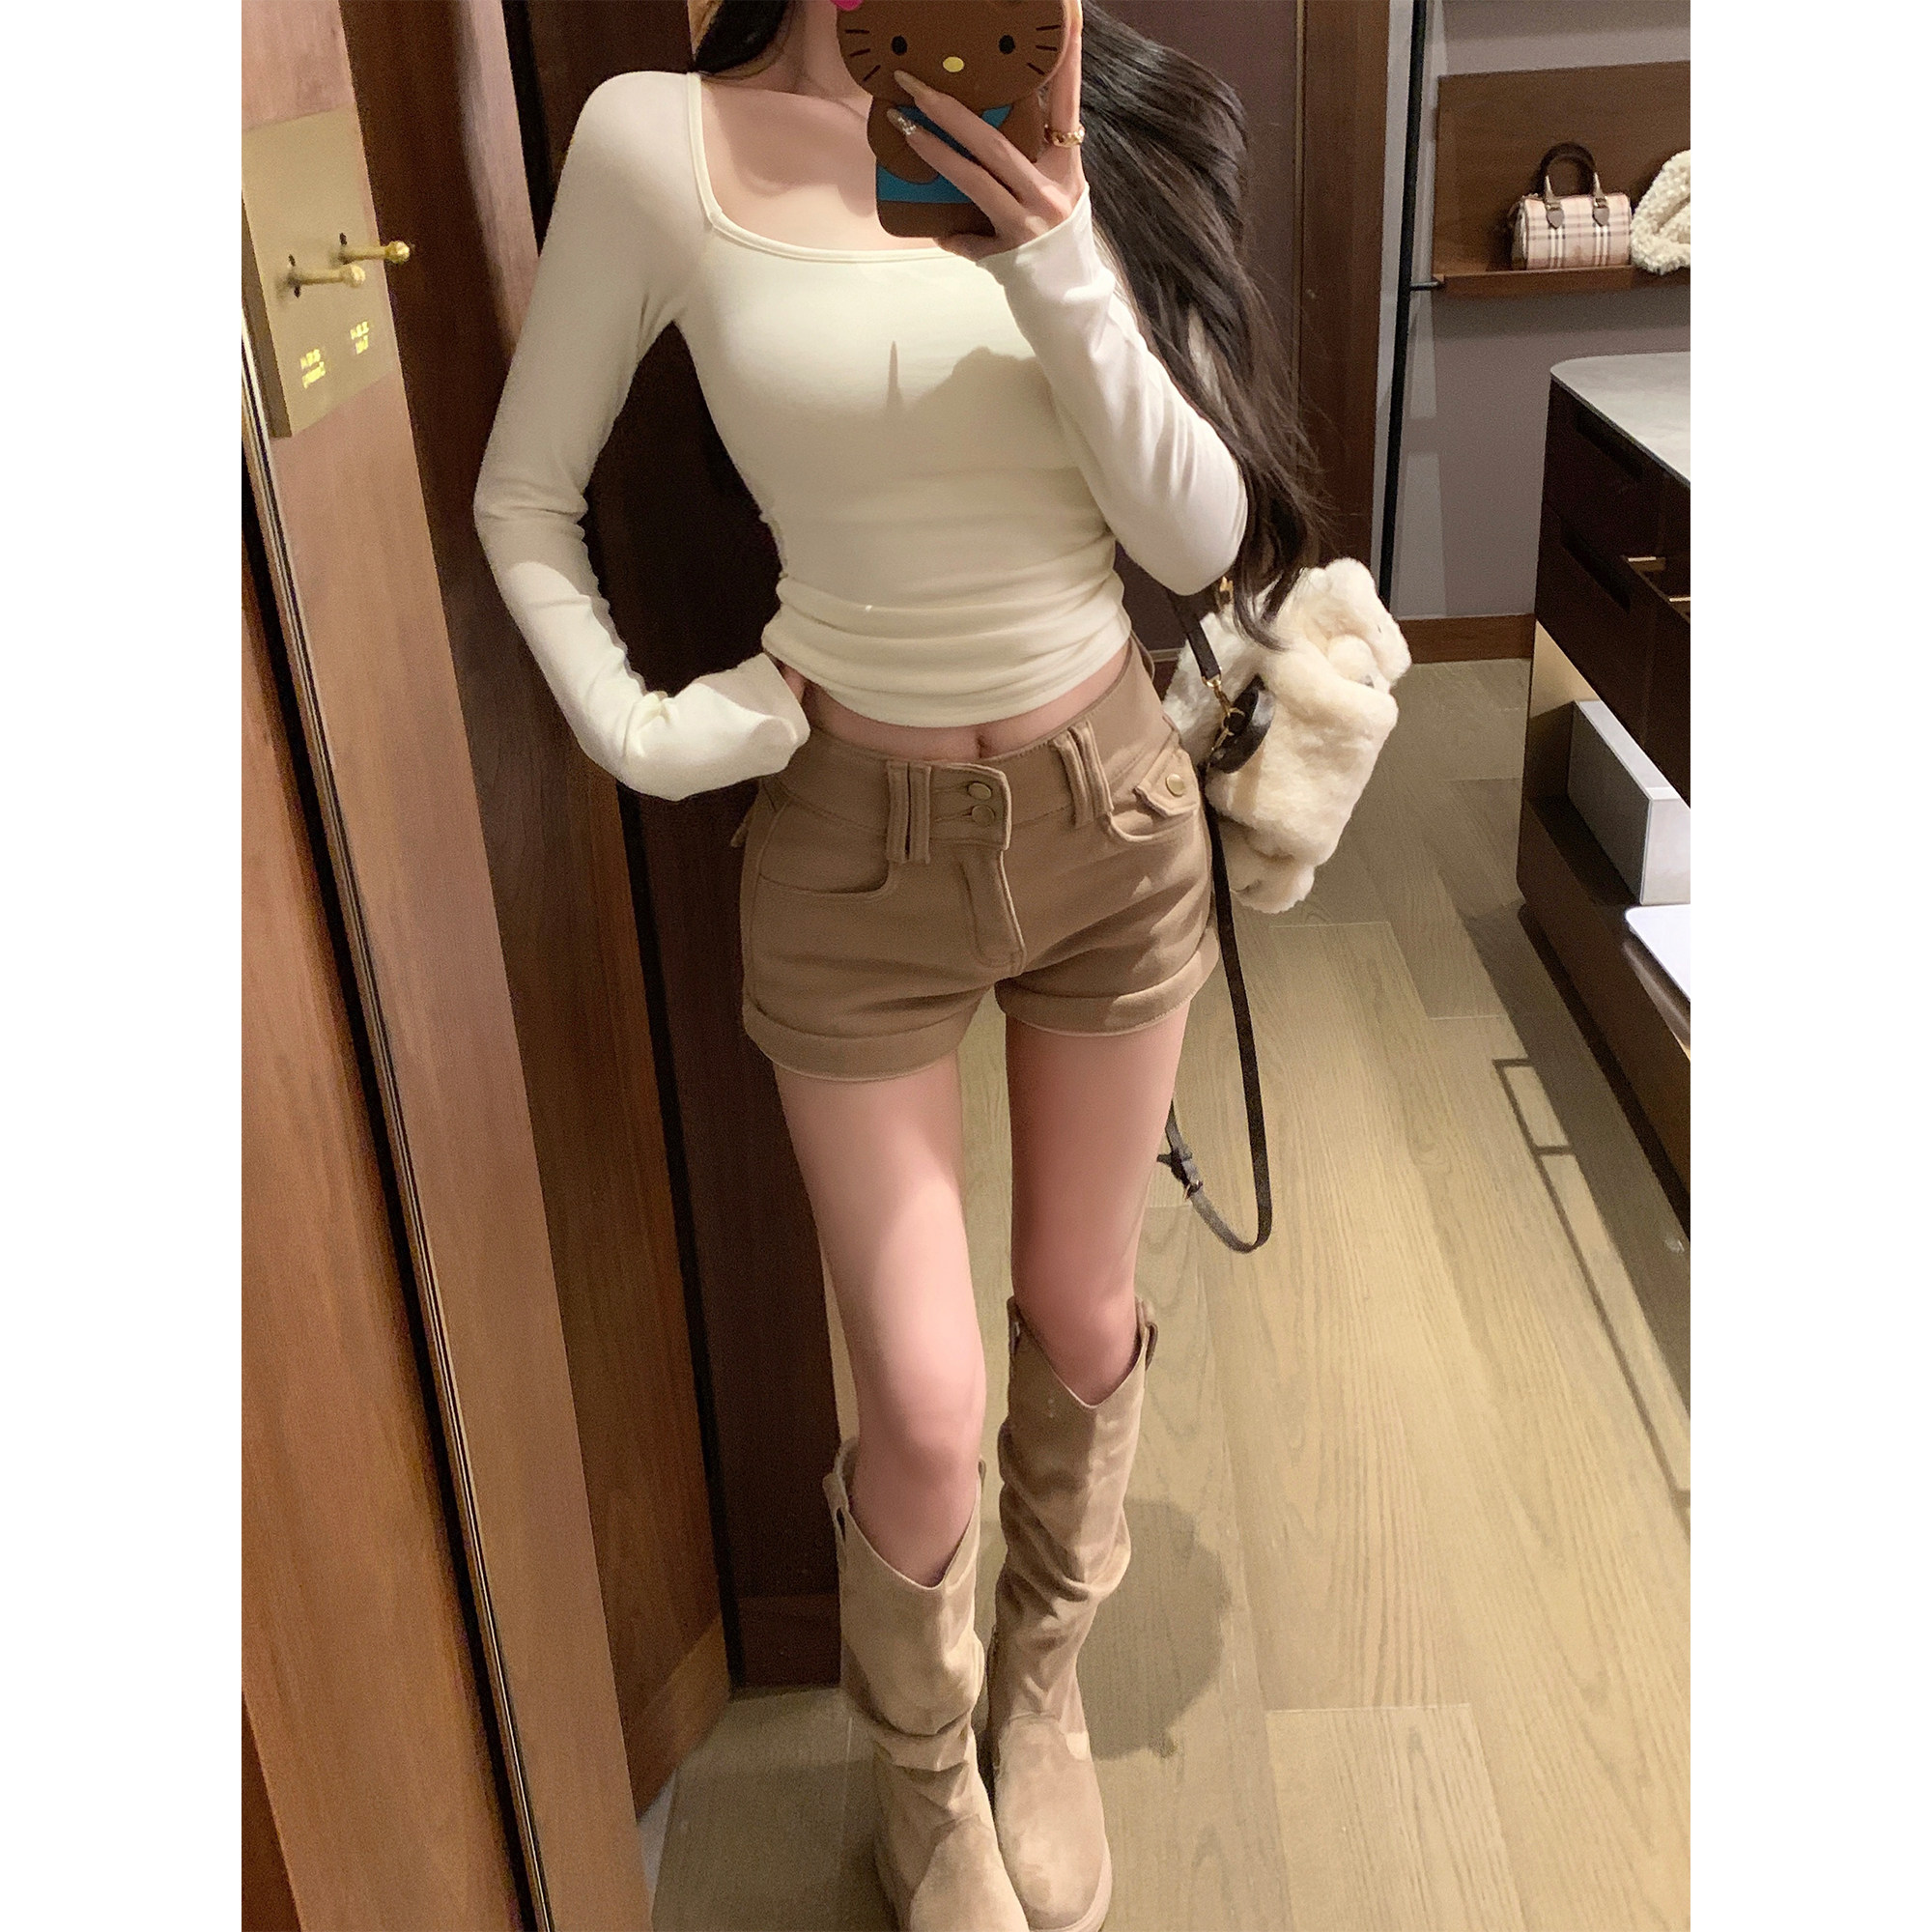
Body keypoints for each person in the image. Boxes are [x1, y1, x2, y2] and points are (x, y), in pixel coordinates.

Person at [472, 4, 1321, 1926]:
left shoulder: (1087, 117)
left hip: (1107, 816)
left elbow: (1195, 535)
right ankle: (922, 1774)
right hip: (847, 849)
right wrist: (644, 733)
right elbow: (523, 498)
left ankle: (1039, 1693)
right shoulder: (654, 143)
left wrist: (1058, 249)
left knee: (1083, 1315)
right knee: (924, 1408)